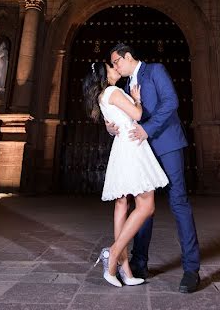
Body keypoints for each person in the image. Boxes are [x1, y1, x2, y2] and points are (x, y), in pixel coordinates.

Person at [107, 43, 201, 293]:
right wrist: (111, 127)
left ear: (128, 57)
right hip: (142, 152)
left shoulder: (155, 71)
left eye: (116, 61)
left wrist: (148, 130)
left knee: (178, 202)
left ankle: (191, 269)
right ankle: (139, 264)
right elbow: (128, 115)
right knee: (143, 207)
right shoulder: (126, 87)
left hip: (167, 145)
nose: (115, 67)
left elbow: (170, 102)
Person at [82, 61, 168, 288]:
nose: (117, 69)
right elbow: (138, 115)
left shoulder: (102, 95)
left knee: (122, 203)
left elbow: (114, 122)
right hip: (132, 147)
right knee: (146, 206)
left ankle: (125, 270)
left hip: (122, 146)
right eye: (112, 67)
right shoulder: (113, 91)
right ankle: (112, 254)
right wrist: (137, 99)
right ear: (105, 73)